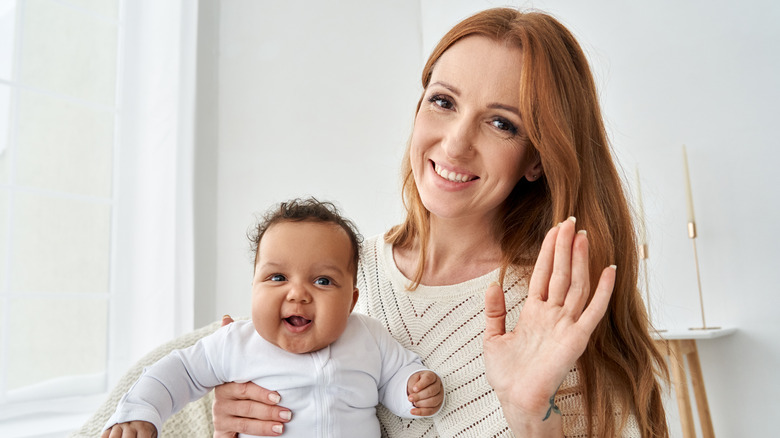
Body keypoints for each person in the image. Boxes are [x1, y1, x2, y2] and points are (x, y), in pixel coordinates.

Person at [211, 7, 669, 438]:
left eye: (501, 123)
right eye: (444, 101)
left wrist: (532, 417)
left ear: (536, 158)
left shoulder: (555, 309)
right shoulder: (337, 271)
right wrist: (245, 413)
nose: (454, 145)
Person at [102, 198, 444, 438]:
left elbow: (398, 375)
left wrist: (413, 390)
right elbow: (176, 372)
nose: (297, 294)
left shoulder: (368, 336)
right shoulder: (237, 342)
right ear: (253, 288)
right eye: (278, 277)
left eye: (323, 281)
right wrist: (141, 412)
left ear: (351, 300)